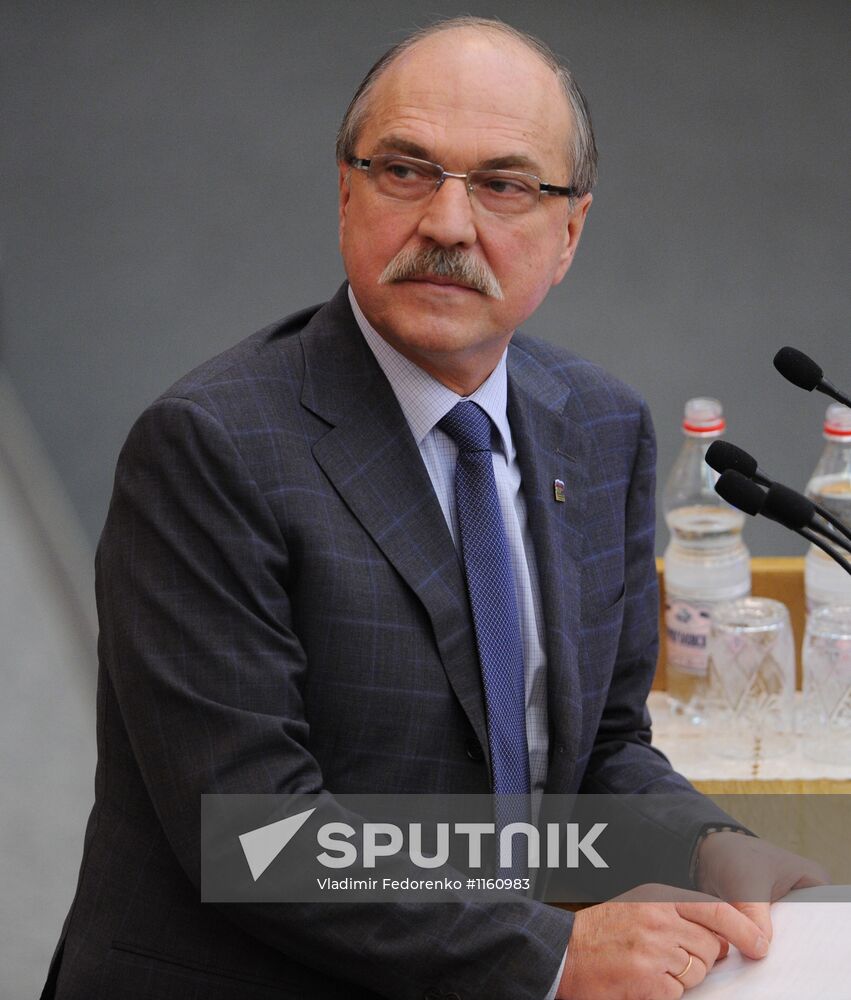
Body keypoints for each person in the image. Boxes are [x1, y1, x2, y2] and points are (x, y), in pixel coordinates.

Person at [42, 16, 825, 1000]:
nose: (448, 225)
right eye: (405, 172)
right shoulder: (209, 448)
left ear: (569, 231)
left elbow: (599, 750)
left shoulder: (599, 426)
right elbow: (256, 838)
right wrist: (550, 958)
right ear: (344, 193)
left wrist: (710, 846)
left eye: (502, 185)